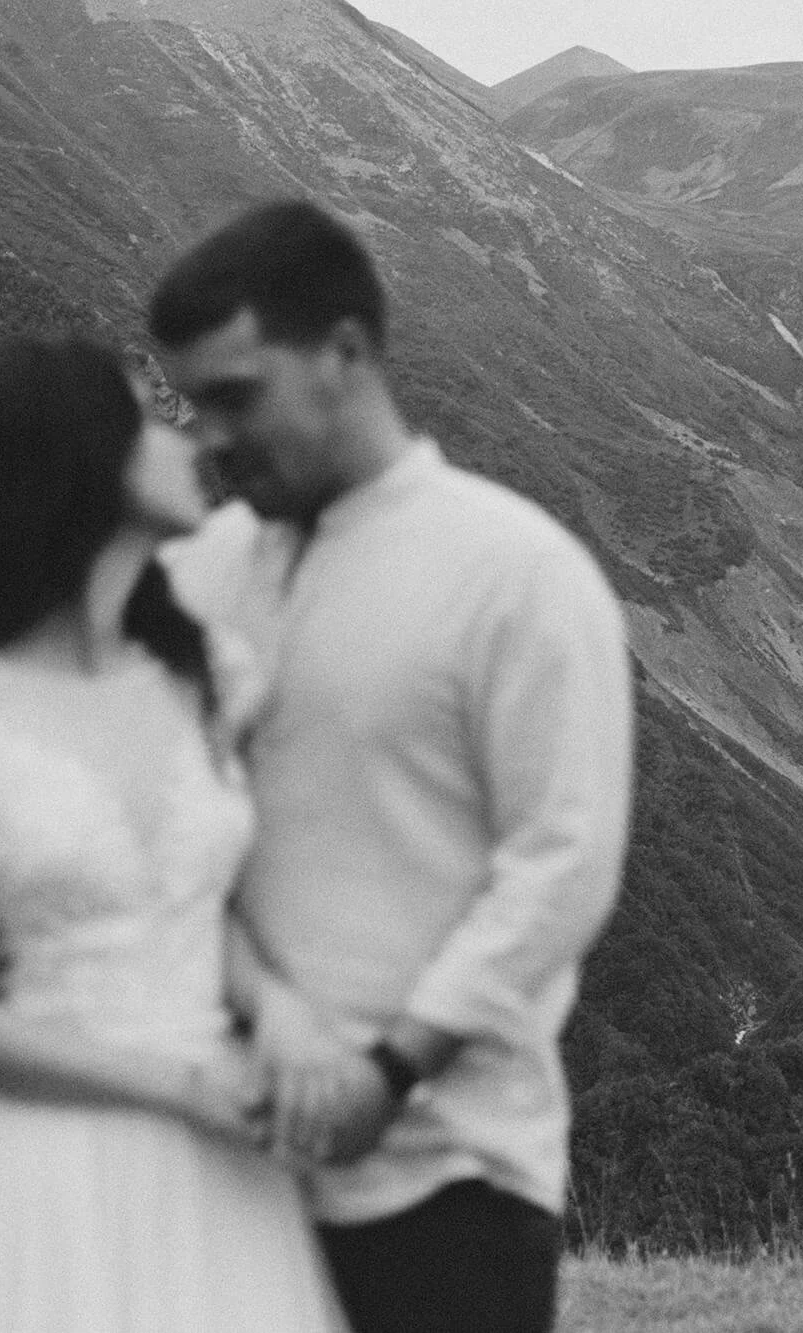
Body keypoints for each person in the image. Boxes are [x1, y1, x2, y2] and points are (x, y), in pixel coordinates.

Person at [153, 201, 634, 1333]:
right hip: (226, 1154)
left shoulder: (516, 571)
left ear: (345, 354)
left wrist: (393, 1069)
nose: (203, 436)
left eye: (233, 395)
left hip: (451, 1175)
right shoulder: (201, 572)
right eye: (184, 402)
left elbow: (562, 864)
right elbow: (164, 830)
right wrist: (261, 1013)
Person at [0, 335, 342, 1331]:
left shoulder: (201, 676)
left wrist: (277, 1010)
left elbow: (179, 902)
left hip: (213, 1159)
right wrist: (173, 1087)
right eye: (148, 419)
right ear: (75, 462)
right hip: (28, 1166)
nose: (190, 441)